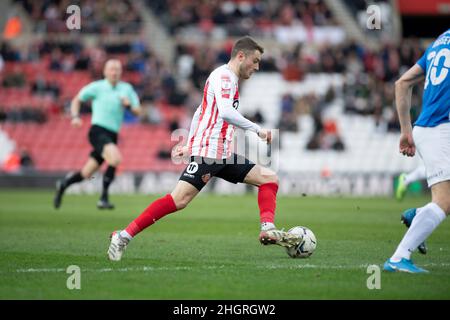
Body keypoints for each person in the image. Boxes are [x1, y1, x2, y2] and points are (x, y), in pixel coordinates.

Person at [107, 36, 302, 261]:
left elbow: (201, 111)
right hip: (211, 152)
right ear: (241, 56)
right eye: (255, 61)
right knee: (178, 200)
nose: (257, 67)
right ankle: (122, 235)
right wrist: (257, 130)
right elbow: (227, 113)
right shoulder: (225, 77)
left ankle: (268, 227)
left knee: (269, 178)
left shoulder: (224, 77)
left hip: (222, 153)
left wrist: (189, 142)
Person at [383, 29, 450, 273]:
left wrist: (406, 130)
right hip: (441, 127)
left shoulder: (439, 42)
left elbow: (402, 83)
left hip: (428, 126)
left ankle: (418, 215)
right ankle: (399, 257)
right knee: (444, 200)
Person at [53, 59, 141, 210]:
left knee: (86, 172)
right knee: (115, 158)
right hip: (98, 131)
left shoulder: (126, 89)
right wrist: (75, 116)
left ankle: (63, 184)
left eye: (117, 69)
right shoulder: (97, 87)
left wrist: (129, 106)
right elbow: (77, 100)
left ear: (121, 72)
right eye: (111, 69)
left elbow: (138, 111)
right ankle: (103, 198)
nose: (114, 72)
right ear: (105, 71)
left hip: (112, 134)